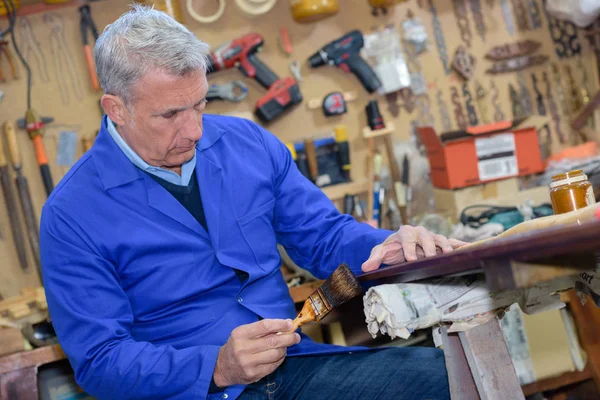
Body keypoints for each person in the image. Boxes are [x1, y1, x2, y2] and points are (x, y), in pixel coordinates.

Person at [40, 6, 464, 400]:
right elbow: (100, 361)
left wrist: (385, 248)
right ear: (117, 109)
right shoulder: (71, 215)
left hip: (295, 368)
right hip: (195, 390)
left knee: (460, 378)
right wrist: (215, 367)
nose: (195, 131)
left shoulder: (247, 143)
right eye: (170, 115)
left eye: (200, 104)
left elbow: (323, 236)